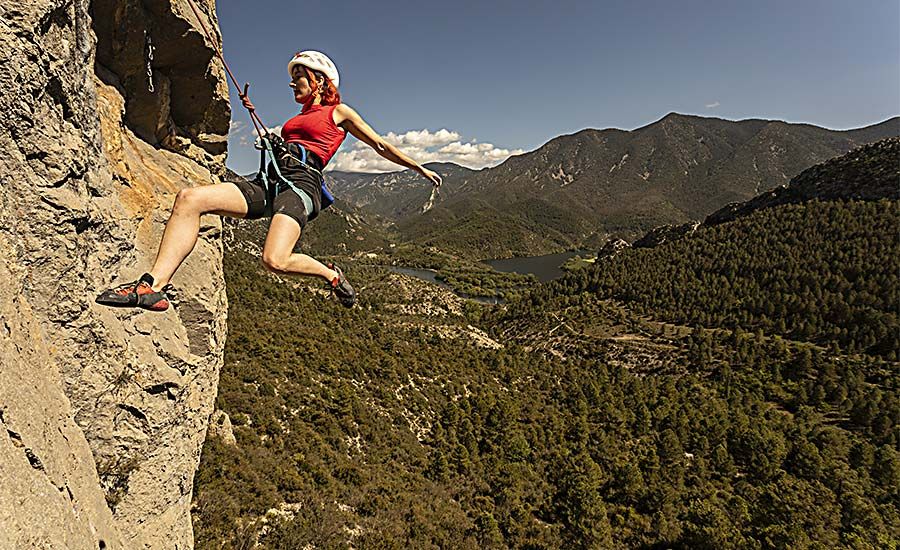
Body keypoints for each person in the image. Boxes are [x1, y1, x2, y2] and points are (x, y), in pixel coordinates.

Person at [96, 50, 442, 311]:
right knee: (190, 199)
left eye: (299, 77)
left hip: (300, 186)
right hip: (270, 180)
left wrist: (418, 168)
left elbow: (379, 144)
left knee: (274, 260)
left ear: (319, 81)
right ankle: (152, 287)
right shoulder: (298, 118)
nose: (293, 83)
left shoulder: (339, 112)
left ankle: (330, 275)